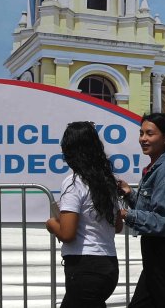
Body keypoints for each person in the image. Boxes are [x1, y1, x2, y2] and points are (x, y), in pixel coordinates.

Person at [118, 113, 165, 308]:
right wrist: (129, 194)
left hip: (164, 252)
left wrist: (126, 214)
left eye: (149, 133)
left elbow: (160, 219)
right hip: (156, 251)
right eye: (141, 133)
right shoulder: (156, 168)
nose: (143, 139)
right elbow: (151, 207)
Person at [45, 122, 122, 308]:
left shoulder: (74, 183)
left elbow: (67, 234)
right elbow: (118, 225)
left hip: (84, 267)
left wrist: (51, 224)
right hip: (109, 265)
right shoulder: (107, 181)